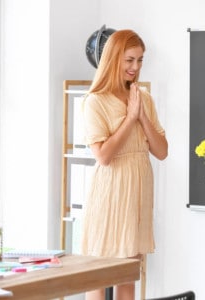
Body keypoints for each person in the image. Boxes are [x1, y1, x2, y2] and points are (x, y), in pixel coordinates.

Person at [81, 29, 168, 300]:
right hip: (110, 192)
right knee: (99, 272)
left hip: (138, 190)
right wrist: (130, 119)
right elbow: (103, 156)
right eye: (129, 60)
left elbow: (162, 151)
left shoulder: (144, 99)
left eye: (140, 60)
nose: (135, 67)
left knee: (128, 274)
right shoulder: (94, 101)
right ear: (114, 58)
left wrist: (141, 115)